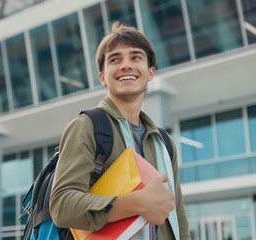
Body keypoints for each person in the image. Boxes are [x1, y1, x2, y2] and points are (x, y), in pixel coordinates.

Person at [49, 21, 190, 240]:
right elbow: (61, 205)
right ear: (102, 76)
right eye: (115, 59)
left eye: (136, 57)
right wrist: (136, 203)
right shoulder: (87, 126)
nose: (126, 65)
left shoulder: (164, 142)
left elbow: (178, 216)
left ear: (150, 72)